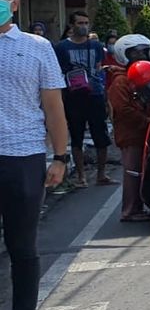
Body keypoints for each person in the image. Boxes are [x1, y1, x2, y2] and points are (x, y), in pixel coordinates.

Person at [0, 0, 69, 310]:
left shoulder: (37, 47)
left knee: (22, 247)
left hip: (23, 157)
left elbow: (53, 107)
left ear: (14, 3)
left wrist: (59, 156)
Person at [54, 10, 112, 187]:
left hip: (94, 95)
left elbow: (99, 67)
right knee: (77, 136)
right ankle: (81, 177)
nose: (84, 26)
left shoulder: (95, 46)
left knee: (100, 136)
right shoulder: (62, 47)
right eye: (80, 23)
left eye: (86, 23)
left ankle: (101, 175)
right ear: (72, 25)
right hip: (73, 96)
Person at [107, 35, 150, 222]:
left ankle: (139, 206)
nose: (142, 55)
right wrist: (145, 120)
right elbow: (123, 109)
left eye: (144, 51)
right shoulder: (120, 81)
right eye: (137, 52)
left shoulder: (141, 76)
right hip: (131, 134)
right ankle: (130, 210)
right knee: (132, 173)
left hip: (144, 131)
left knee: (141, 172)